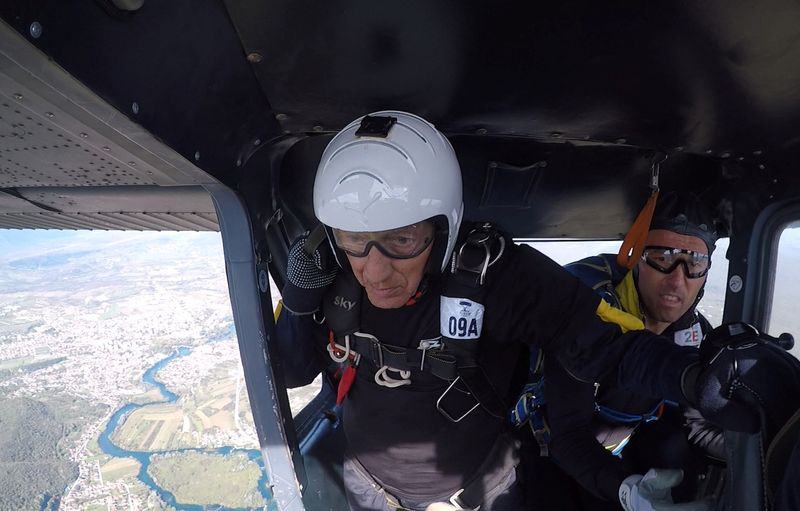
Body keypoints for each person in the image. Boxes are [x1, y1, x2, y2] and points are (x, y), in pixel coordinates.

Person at [274, 110, 780, 511]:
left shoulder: (492, 273)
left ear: (442, 227)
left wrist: (694, 381)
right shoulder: (329, 275)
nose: (375, 271)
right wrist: (298, 302)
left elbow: (605, 344)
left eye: (401, 240)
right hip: (368, 486)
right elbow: (292, 372)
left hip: (485, 485)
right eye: (355, 242)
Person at [538, 191, 724, 509]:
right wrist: (625, 489)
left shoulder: (693, 335)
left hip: (620, 444)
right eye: (663, 257)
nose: (677, 279)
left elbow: (693, 422)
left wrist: (748, 448)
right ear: (636, 256)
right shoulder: (589, 313)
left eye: (694, 262)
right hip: (549, 445)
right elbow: (568, 435)